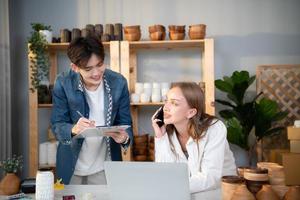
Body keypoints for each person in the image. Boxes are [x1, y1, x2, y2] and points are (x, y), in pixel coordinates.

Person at [51, 36, 133, 185]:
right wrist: (74, 128)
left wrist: (125, 138)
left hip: (105, 166)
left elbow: (125, 122)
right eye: (88, 69)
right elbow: (57, 124)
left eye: (100, 64)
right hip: (70, 166)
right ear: (75, 67)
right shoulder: (63, 82)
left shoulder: (119, 82)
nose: (96, 73)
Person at [152, 82, 236, 193]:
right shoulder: (167, 131)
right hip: (186, 192)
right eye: (166, 100)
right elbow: (164, 173)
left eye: (174, 103)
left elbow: (211, 178)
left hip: (221, 193)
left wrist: (171, 187)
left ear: (191, 112)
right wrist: (160, 137)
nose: (165, 108)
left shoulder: (215, 128)